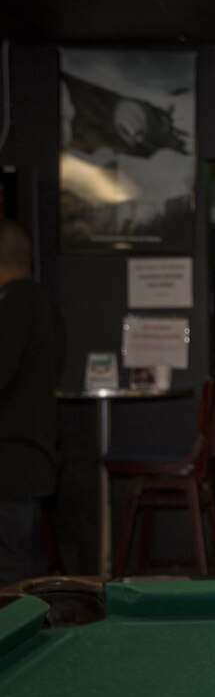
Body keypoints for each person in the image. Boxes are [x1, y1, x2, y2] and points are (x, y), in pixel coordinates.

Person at [0, 218, 62, 585]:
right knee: (24, 569)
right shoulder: (43, 304)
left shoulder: (15, 304)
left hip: (13, 463)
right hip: (32, 460)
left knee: (9, 578)